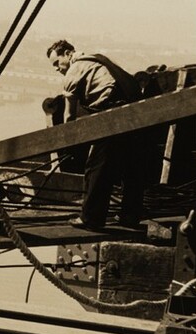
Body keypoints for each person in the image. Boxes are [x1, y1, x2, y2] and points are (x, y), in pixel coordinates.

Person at [46, 39, 145, 230]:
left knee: (96, 168)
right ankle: (130, 217)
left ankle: (91, 219)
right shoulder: (97, 60)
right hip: (133, 114)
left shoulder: (75, 70)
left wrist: (69, 144)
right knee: (131, 168)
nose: (57, 69)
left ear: (68, 53)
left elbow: (69, 116)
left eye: (57, 63)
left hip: (111, 115)